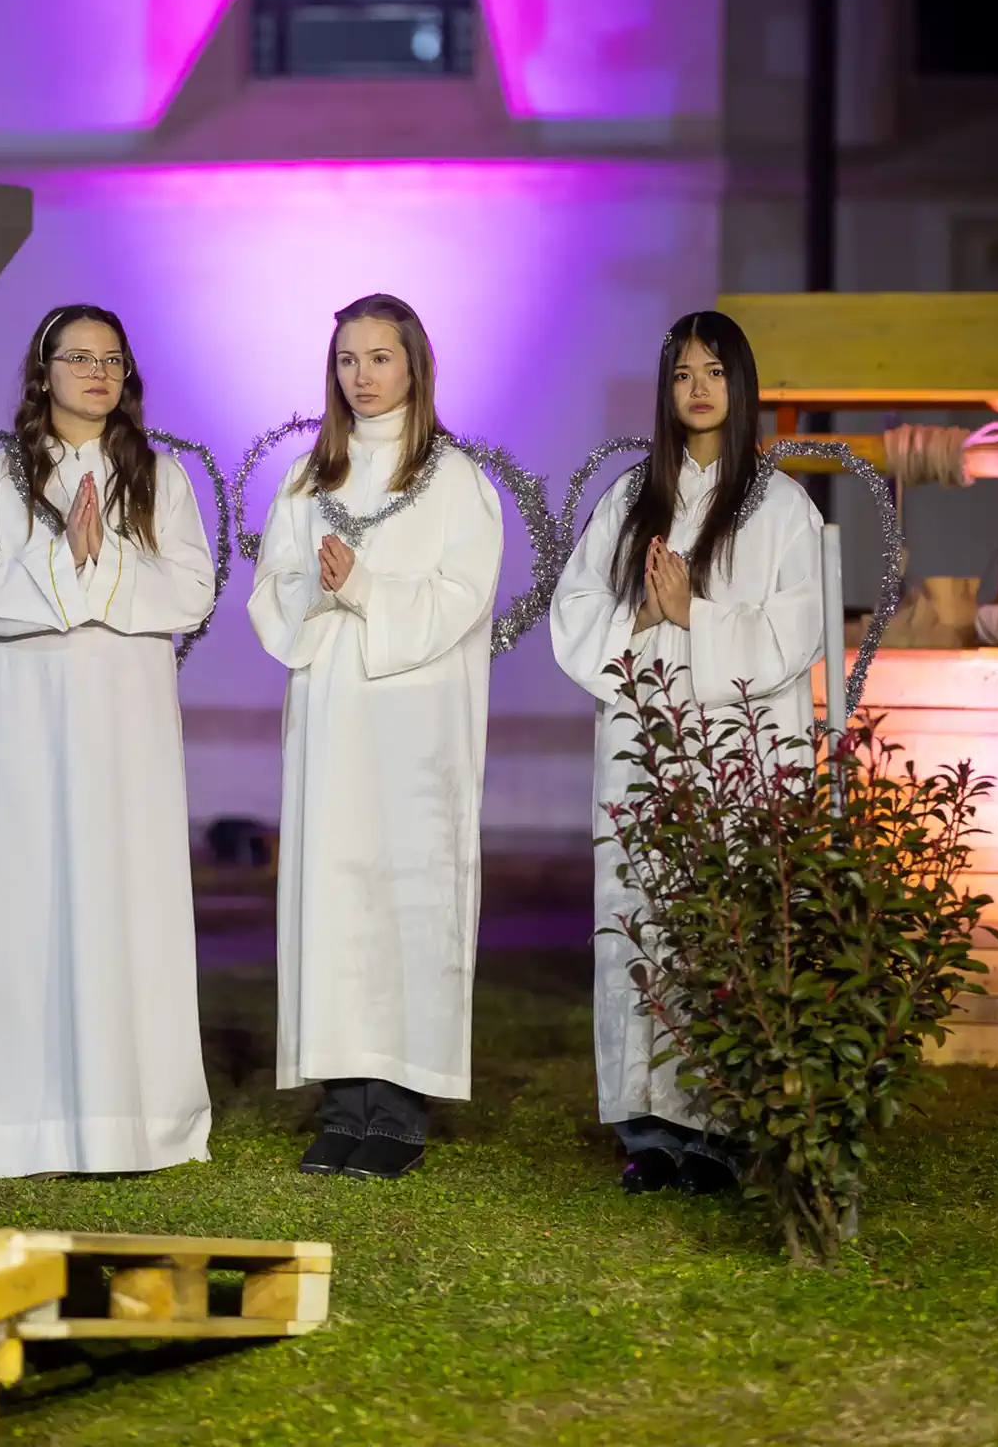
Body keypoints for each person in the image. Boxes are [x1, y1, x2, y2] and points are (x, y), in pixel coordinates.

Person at [0, 304, 214, 1178]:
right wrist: (65, 559)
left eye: (113, 359)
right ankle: (25, 1124)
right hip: (28, 725)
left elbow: (194, 589)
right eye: (79, 357)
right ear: (44, 370)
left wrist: (111, 564)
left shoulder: (159, 477)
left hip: (127, 727)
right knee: (27, 901)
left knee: (132, 901)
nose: (98, 372)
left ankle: (141, 1122)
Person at [550, 310, 824, 1198]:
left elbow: (795, 631)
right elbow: (575, 610)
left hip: (735, 749)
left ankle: (723, 1126)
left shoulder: (780, 506)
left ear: (741, 388)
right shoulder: (633, 501)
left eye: (714, 372)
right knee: (640, 911)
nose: (698, 389)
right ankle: (648, 1127)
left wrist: (691, 616)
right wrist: (640, 612)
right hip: (644, 746)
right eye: (682, 375)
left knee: (721, 917)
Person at [249, 294, 503, 1180]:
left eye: (380, 357)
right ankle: (342, 1101)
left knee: (403, 895)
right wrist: (320, 591)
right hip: (332, 718)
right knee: (334, 899)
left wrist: (364, 591)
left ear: (415, 366)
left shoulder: (454, 478)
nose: (362, 375)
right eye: (348, 359)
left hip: (411, 722)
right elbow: (274, 585)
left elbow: (461, 598)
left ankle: (397, 1108)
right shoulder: (309, 478)